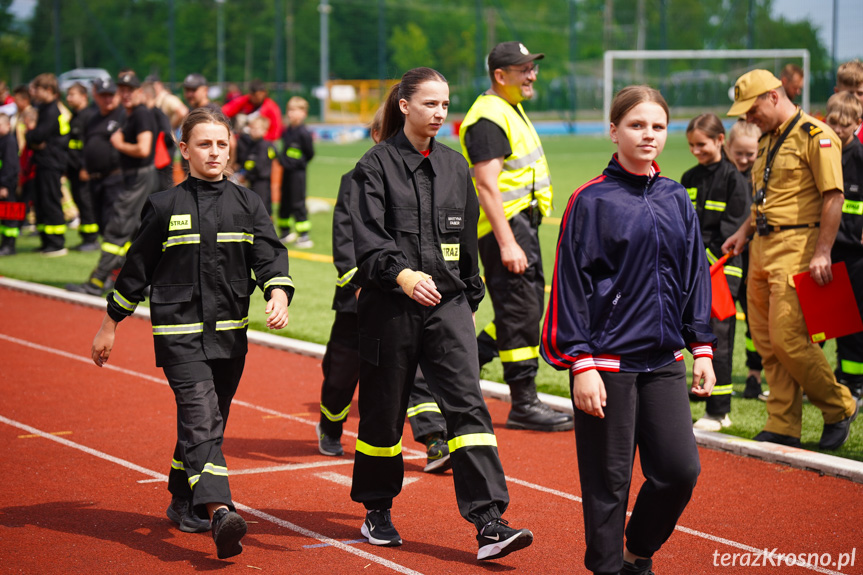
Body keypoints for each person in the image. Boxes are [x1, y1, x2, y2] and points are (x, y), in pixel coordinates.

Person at [90, 106, 293, 560]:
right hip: (179, 337)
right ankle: (221, 511)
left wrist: (277, 294)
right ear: (184, 149)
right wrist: (110, 324)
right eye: (204, 144)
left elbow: (270, 258)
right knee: (202, 417)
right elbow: (136, 271)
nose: (215, 152)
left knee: (208, 423)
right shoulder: (163, 206)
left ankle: (183, 500)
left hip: (230, 339)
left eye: (222, 144)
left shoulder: (249, 203)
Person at [349, 67, 533, 561]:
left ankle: (489, 521)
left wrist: (468, 301)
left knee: (468, 409)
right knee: (384, 417)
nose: (439, 113)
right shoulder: (373, 168)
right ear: (405, 105)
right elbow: (364, 243)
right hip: (391, 308)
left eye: (445, 105)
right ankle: (377, 510)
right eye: (430, 104)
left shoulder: (455, 167)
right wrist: (402, 276)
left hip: (449, 306)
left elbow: (466, 242)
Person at [541, 85, 716, 575]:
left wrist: (701, 347)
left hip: (663, 361)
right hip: (607, 363)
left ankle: (638, 553)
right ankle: (607, 567)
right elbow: (570, 286)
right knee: (608, 481)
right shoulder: (590, 200)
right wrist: (581, 363)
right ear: (613, 130)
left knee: (680, 471)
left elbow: (694, 276)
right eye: (637, 125)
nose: (648, 135)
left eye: (658, 126)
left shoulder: (677, 197)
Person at [722, 69, 858, 450]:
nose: (748, 118)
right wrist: (743, 232)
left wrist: (822, 252)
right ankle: (783, 423)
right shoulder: (767, 139)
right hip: (762, 246)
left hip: (798, 247)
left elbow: (833, 197)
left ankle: (839, 406)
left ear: (773, 97)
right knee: (765, 342)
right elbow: (766, 198)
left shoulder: (817, 136)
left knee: (789, 339)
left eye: (751, 110)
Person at [319, 105, 452, 473]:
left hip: (407, 298)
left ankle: (434, 441)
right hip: (360, 299)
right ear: (378, 136)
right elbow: (346, 238)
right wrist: (359, 286)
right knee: (341, 373)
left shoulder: (421, 178)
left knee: (417, 373)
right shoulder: (358, 176)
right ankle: (330, 425)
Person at [458, 41, 573, 432]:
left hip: (517, 224)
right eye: (524, 69)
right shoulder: (489, 116)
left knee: (521, 311)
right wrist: (507, 242)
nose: (532, 75)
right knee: (520, 310)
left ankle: (446, 374)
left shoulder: (508, 109)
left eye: (532, 68)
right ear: (500, 75)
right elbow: (487, 185)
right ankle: (523, 403)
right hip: (503, 228)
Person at [682, 113, 750, 431]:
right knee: (692, 332)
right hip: (694, 270)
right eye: (692, 145)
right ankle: (701, 391)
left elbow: (731, 231)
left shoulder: (734, 179)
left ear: (720, 140)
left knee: (717, 335)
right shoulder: (689, 178)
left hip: (723, 270)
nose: (696, 151)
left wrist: (700, 262)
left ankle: (719, 411)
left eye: (702, 144)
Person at [67, 71, 158, 296]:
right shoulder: (131, 114)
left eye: (130, 90)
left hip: (139, 177)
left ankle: (97, 282)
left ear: (139, 92)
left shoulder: (141, 114)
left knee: (117, 229)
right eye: (122, 90)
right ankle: (144, 282)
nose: (125, 95)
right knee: (136, 233)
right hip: (132, 177)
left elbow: (144, 149)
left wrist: (119, 144)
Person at [724, 119, 766, 400]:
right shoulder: (724, 175)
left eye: (750, 154)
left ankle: (755, 375)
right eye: (738, 153)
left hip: (756, 258)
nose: (743, 159)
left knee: (755, 322)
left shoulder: (763, 176)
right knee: (724, 321)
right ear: (727, 148)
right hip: (728, 260)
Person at [825, 92, 863, 399]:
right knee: (823, 320)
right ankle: (820, 381)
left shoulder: (860, 157)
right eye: (833, 122)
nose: (838, 130)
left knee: (852, 323)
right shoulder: (824, 152)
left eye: (845, 125)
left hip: (855, 255)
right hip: (826, 250)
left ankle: (854, 384)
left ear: (857, 124)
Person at [26, 73, 70, 256]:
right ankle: (46, 241)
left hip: (51, 163)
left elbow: (38, 136)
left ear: (49, 91)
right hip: (43, 162)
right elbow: (35, 139)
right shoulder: (43, 108)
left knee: (51, 201)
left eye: (39, 89)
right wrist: (33, 138)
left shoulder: (51, 110)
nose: (35, 93)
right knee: (42, 203)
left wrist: (30, 134)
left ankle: (57, 243)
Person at [276, 96, 314, 247]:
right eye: (289, 110)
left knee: (298, 202)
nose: (290, 114)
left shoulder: (303, 133)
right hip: (286, 172)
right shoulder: (287, 131)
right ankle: (285, 232)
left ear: (303, 113)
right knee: (284, 201)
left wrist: (298, 163)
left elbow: (310, 153)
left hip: (298, 174)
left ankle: (304, 236)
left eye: (294, 110)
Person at [66, 82, 99, 251]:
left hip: (83, 169)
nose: (68, 98)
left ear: (83, 96)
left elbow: (89, 145)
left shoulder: (89, 116)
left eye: (72, 94)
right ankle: (85, 237)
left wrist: (85, 167)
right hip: (73, 168)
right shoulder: (75, 115)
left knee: (86, 202)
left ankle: (91, 239)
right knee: (79, 200)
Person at [235, 116, 276, 216]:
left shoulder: (265, 146)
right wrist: (241, 172)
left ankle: (266, 229)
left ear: (264, 131)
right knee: (251, 206)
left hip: (261, 182)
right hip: (251, 181)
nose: (253, 131)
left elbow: (259, 166)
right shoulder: (251, 145)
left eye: (256, 129)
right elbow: (245, 162)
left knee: (262, 207)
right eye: (251, 128)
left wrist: (245, 175)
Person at [142, 81, 177, 191]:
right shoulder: (149, 113)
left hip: (161, 163)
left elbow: (167, 136)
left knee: (162, 193)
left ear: (147, 96)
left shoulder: (157, 113)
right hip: (157, 162)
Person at [0, 112, 20, 256]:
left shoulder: (10, 141)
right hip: (3, 183)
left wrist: (4, 185)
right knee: (4, 216)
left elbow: (9, 164)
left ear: (8, 125)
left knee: (10, 215)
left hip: (8, 185)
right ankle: (4, 244)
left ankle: (10, 246)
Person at [835, 60, 863, 145]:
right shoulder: (825, 126)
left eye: (860, 93)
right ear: (837, 92)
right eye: (849, 93)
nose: (855, 98)